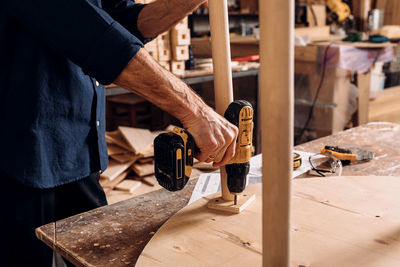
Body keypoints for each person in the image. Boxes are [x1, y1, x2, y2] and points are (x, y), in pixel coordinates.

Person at [0, 1, 238, 266]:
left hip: (80, 149)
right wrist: (195, 111)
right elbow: (93, 34)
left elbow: (125, 22)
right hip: (16, 155)